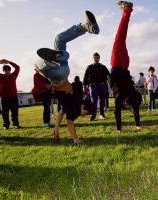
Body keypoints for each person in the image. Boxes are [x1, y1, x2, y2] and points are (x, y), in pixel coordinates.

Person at [34, 10, 99, 144]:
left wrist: (56, 130)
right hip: (58, 76)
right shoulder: (75, 110)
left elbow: (60, 114)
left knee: (59, 39)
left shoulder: (75, 101)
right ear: (82, 107)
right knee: (38, 64)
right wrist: (75, 139)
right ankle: (50, 60)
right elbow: (69, 123)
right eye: (85, 113)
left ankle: (84, 27)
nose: (82, 116)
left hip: (64, 70)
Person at [109, 1, 142, 133]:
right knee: (119, 36)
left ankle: (126, 11)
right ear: (126, 102)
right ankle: (127, 10)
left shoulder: (132, 92)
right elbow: (117, 111)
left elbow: (136, 108)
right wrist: (118, 129)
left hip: (125, 63)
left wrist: (138, 124)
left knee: (122, 38)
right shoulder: (120, 97)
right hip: (117, 63)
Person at [0, 59, 22, 129]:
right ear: (3, 71)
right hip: (4, 97)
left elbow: (17, 67)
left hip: (13, 97)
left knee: (15, 112)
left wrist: (9, 62)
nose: (7, 72)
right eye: (5, 70)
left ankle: (16, 124)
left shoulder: (14, 75)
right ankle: (6, 125)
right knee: (4, 112)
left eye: (8, 70)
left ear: (10, 70)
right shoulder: (0, 76)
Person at [83, 52, 109, 121]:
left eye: (97, 58)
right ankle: (93, 115)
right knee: (93, 101)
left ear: (99, 58)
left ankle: (102, 114)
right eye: (95, 58)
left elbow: (108, 76)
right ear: (93, 58)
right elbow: (85, 77)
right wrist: (84, 86)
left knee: (102, 100)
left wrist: (112, 85)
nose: (96, 59)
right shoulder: (90, 67)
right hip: (93, 86)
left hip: (102, 85)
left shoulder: (103, 67)